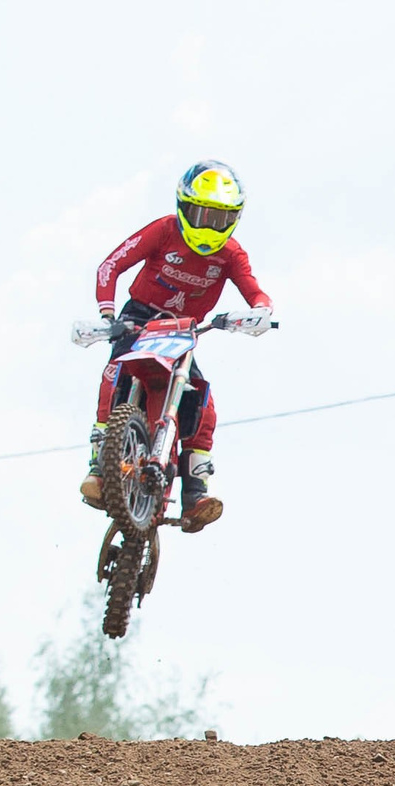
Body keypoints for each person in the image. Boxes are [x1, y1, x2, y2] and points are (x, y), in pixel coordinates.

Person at [81, 161, 275, 533]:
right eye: (200, 215)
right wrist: (107, 315)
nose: (207, 227)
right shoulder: (165, 231)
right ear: (183, 208)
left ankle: (195, 495)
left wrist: (262, 311)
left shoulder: (232, 254)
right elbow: (110, 265)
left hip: (185, 331)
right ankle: (98, 470)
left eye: (218, 218)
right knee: (114, 374)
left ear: (234, 219)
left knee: (203, 404)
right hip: (139, 318)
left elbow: (254, 290)